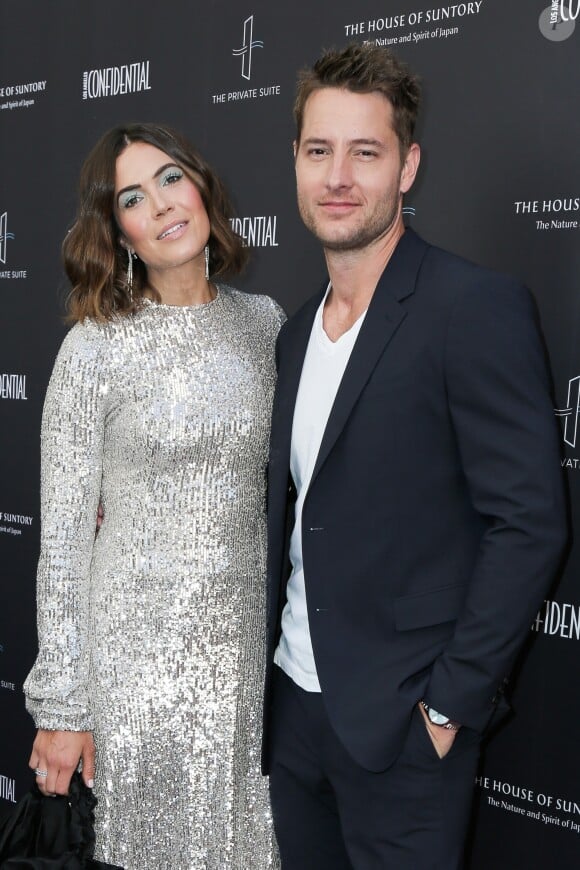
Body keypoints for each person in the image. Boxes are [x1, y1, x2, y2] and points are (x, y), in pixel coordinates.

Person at [262, 43, 567, 869]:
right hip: (291, 717)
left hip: (402, 734)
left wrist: (446, 709)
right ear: (294, 160)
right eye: (319, 151)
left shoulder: (472, 307)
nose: (338, 177)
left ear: (408, 166)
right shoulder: (292, 335)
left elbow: (530, 522)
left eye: (367, 152)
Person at [24, 122, 283, 869]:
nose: (163, 204)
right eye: (133, 198)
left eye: (171, 178)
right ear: (121, 233)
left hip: (242, 665)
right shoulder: (95, 347)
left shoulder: (264, 325)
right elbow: (65, 540)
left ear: (202, 187)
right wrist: (65, 707)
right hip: (133, 668)